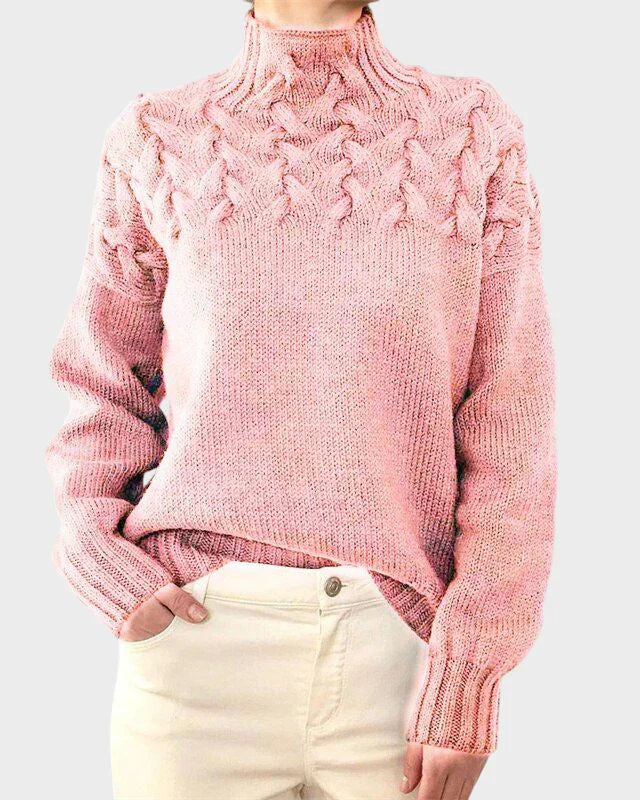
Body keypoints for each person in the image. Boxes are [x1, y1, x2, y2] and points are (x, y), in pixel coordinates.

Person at [45, 1, 556, 798]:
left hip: (398, 652)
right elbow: (99, 383)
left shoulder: (470, 132)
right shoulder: (156, 136)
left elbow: (511, 422)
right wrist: (98, 559)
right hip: (192, 651)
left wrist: (471, 672)